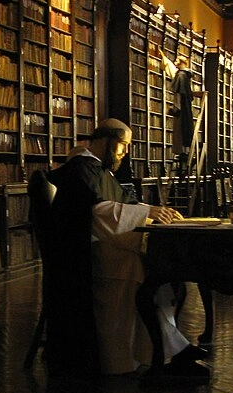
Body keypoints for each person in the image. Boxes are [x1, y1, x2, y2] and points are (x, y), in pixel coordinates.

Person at [45, 118, 209, 379]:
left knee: (155, 269)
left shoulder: (98, 170)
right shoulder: (82, 169)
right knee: (145, 269)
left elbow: (116, 204)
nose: (126, 151)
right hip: (84, 257)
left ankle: (166, 351)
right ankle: (146, 357)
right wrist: (146, 214)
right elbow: (98, 214)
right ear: (104, 141)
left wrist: (151, 213)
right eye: (122, 144)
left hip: (100, 247)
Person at [159, 53, 200, 169]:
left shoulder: (181, 75)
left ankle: (183, 152)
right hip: (186, 107)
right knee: (185, 128)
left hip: (181, 108)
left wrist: (176, 108)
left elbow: (178, 94)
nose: (175, 62)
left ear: (182, 63)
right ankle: (185, 152)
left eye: (177, 60)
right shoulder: (185, 76)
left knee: (180, 129)